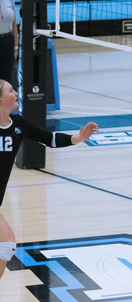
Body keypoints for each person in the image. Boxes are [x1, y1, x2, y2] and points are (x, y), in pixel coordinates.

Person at [0, 79, 98, 283]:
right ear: (0, 99)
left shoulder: (18, 125)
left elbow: (49, 138)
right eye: (10, 90)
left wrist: (77, 139)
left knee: (5, 244)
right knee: (6, 243)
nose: (16, 92)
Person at [0, 0, 19, 84]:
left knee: (5, 81)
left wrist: (15, 47)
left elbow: (14, 25)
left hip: (7, 41)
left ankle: (3, 101)